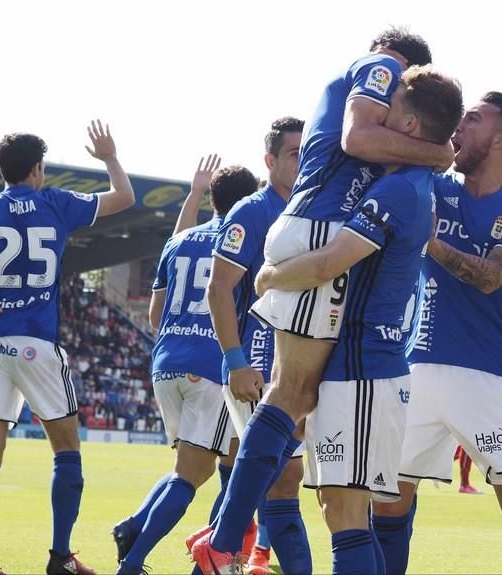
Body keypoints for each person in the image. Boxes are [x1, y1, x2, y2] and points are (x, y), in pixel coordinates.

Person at [189, 27, 452, 572]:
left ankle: (229, 534)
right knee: (289, 395)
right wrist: (436, 148)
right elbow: (357, 139)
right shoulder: (380, 64)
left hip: (320, 234)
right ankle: (226, 540)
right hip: (318, 234)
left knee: (299, 405)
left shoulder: (400, 165)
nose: (396, 102)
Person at [249, 65, 463, 575]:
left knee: (347, 512)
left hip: (368, 368)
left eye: (391, 107)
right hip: (359, 366)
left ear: (408, 126)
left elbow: (327, 263)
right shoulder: (409, 185)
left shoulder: (399, 192)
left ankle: (229, 535)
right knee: (338, 509)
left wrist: (270, 278)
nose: (378, 111)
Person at [371, 92, 502, 575]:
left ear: (501, 139)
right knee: (387, 503)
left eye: (472, 120)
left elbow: (490, 276)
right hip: (414, 368)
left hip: (487, 376)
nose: (459, 124)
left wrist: (428, 240)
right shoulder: (430, 187)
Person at [0, 121, 135, 575]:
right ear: (37, 170)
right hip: (36, 342)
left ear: (2, 170)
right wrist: (110, 156)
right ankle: (59, 557)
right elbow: (124, 198)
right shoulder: (56, 202)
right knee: (67, 450)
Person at [111, 162, 259, 574]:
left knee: (217, 462)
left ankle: (208, 549)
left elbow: (156, 314)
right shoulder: (245, 241)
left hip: (167, 364)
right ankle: (135, 558)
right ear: (249, 201)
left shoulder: (179, 242)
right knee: (194, 474)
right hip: (212, 366)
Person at [188, 117, 313, 575]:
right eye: (293, 153)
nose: (302, 161)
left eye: (307, 151)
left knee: (280, 478)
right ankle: (218, 552)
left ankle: (217, 548)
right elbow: (219, 289)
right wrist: (236, 361)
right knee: (284, 479)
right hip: (257, 366)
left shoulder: (309, 211)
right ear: (271, 160)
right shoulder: (251, 212)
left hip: (296, 367)